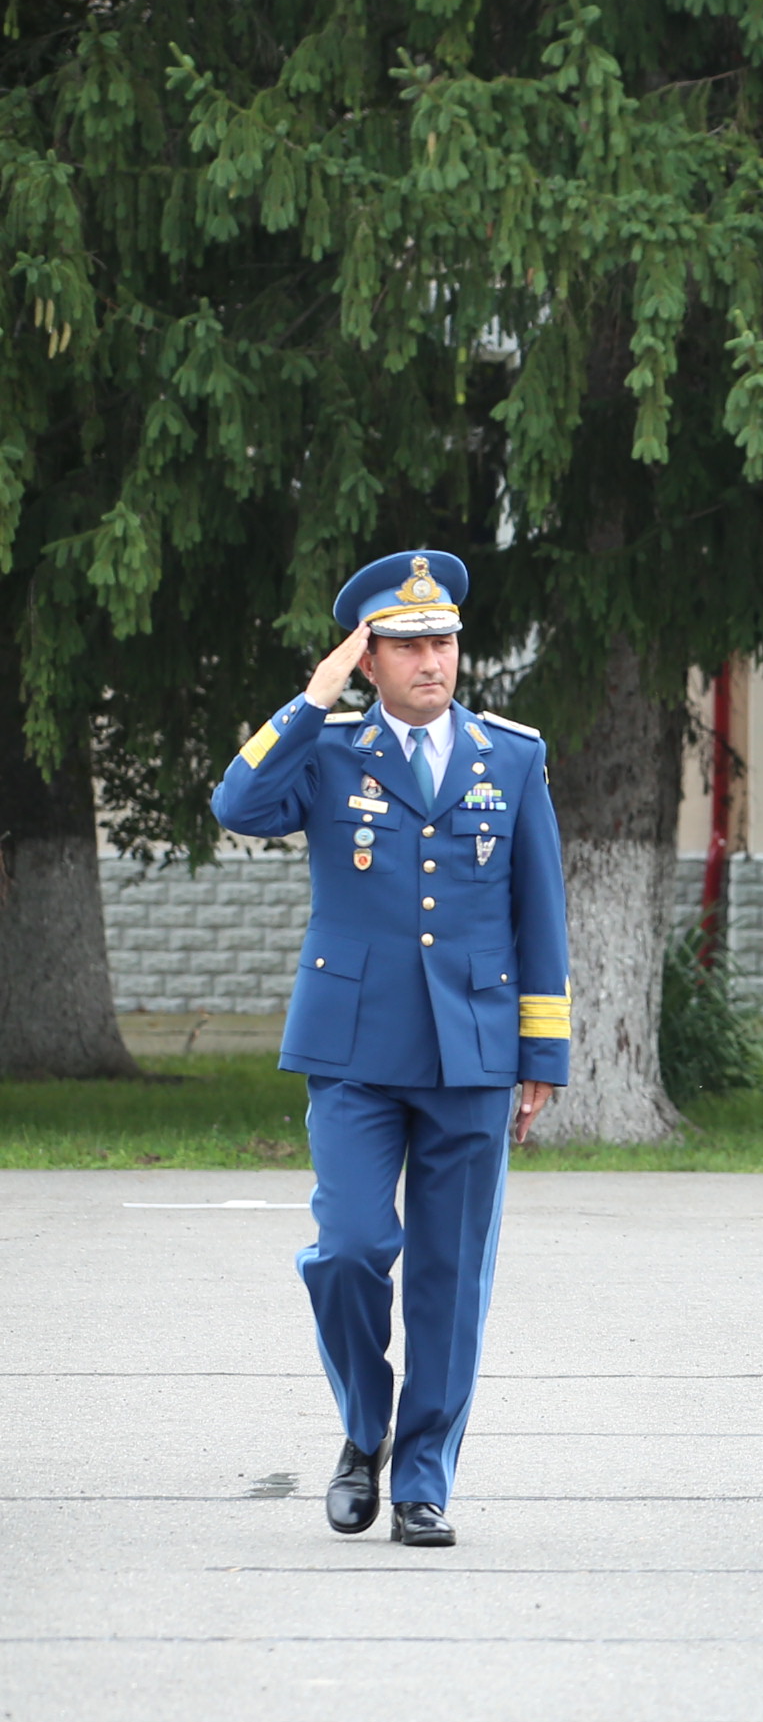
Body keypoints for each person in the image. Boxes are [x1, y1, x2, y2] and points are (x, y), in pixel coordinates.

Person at [213, 550, 570, 1547]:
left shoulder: (511, 756)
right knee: (352, 1250)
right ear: (368, 658)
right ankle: (362, 1427)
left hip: (472, 1049)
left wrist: (543, 1054)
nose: (433, 660)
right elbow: (235, 806)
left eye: (444, 640)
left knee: (453, 1277)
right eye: (408, 644)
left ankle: (422, 1479)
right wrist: (308, 696)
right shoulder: (326, 753)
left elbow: (539, 907)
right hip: (356, 1050)